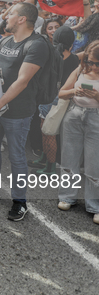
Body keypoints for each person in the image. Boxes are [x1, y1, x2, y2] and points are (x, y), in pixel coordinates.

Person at [0, 2, 50, 221]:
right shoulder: (4, 41)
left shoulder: (36, 45)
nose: (6, 16)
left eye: (11, 13)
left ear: (22, 19)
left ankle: (19, 201)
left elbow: (22, 81)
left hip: (18, 112)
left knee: (16, 157)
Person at [57, 40, 99, 225]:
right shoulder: (80, 69)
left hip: (96, 119)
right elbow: (61, 93)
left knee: (94, 162)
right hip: (74, 115)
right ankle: (67, 196)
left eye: (97, 63)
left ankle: (95, 205)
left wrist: (96, 96)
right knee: (69, 158)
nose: (93, 66)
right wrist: (75, 91)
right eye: (91, 62)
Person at [31, 26, 79, 175]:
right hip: (61, 98)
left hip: (49, 96)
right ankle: (44, 159)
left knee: (48, 133)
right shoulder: (75, 59)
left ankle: (50, 167)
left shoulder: (51, 55)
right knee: (46, 130)